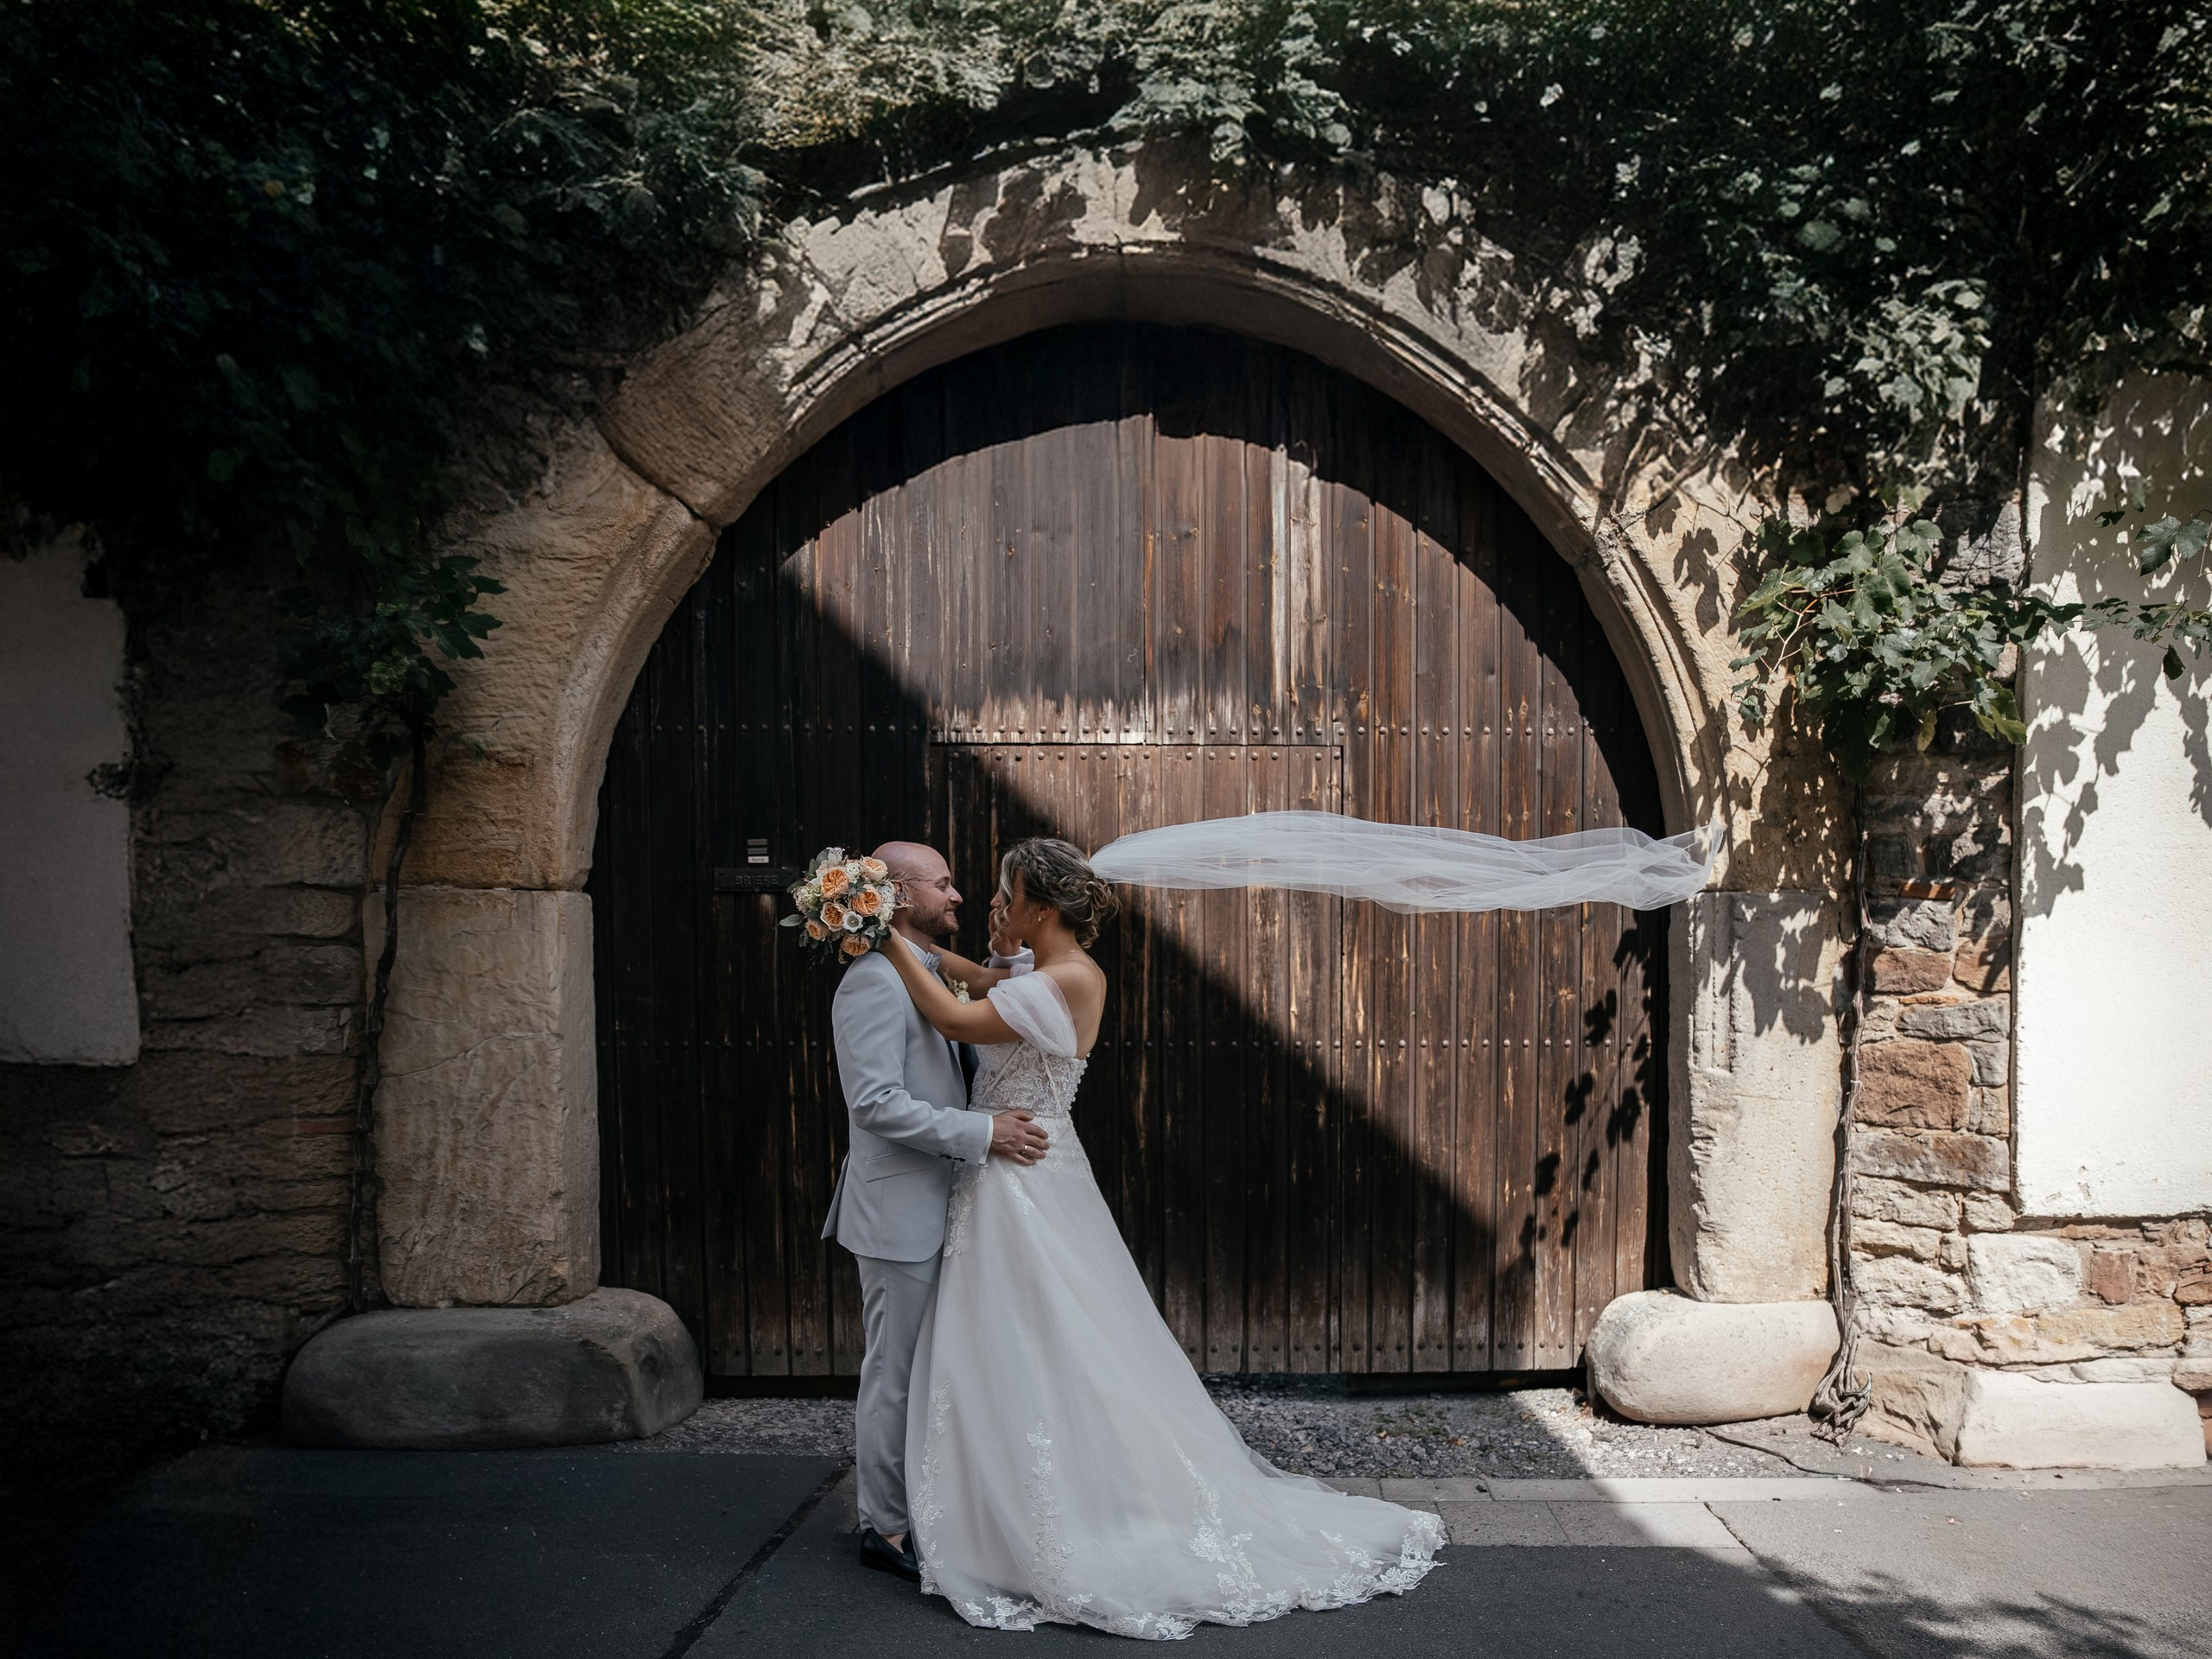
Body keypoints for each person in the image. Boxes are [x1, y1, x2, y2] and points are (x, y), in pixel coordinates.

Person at [875, 837, 1444, 1638]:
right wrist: (908, 940)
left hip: (1023, 1175)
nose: (995, 903)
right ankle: (1001, 1502)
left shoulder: (1067, 980)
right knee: (1018, 1339)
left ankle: (1065, 1513)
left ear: (1041, 906)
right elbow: (969, 975)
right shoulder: (1042, 972)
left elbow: (952, 1014)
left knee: (1046, 1337)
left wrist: (881, 940)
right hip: (1010, 1171)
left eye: (1008, 892)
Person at [819, 841, 1050, 1580]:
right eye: (943, 884)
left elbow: (997, 993)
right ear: (896, 892)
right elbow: (875, 1104)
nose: (957, 896)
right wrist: (984, 1133)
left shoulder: (920, 966)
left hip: (946, 1201)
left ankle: (928, 1505)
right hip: (899, 1211)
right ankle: (884, 1527)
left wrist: (1009, 954)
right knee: (895, 1371)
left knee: (935, 1369)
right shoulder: (872, 981)